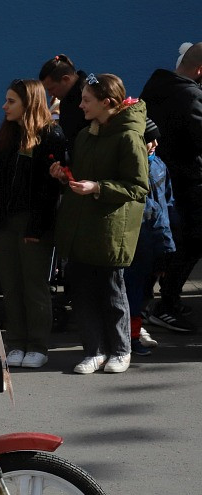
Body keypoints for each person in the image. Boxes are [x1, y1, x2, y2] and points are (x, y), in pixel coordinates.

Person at [50, 73, 148, 375]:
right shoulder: (85, 135)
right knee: (81, 291)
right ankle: (94, 351)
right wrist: (64, 176)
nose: (80, 106)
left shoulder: (128, 136)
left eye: (87, 100)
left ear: (108, 102)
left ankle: (120, 349)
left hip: (110, 229)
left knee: (111, 290)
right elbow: (80, 176)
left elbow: (138, 187)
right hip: (81, 226)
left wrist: (98, 188)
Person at [0, 79, 66, 369]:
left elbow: (49, 192)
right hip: (3, 224)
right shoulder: (3, 135)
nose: (4, 106)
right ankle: (16, 343)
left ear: (29, 103)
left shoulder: (51, 135)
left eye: (11, 101)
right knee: (11, 286)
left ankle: (38, 345)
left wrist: (37, 228)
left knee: (34, 286)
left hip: (32, 226)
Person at [140, 42, 202, 332]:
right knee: (191, 243)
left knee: (167, 244)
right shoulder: (190, 97)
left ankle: (152, 304)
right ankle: (166, 304)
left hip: (161, 183)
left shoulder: (154, 89)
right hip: (188, 185)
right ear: (199, 70)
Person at [124, 119, 175, 356]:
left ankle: (135, 330)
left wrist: (167, 245)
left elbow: (167, 206)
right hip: (138, 240)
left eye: (155, 138)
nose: (153, 143)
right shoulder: (132, 168)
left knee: (144, 291)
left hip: (156, 240)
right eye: (147, 139)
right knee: (132, 290)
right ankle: (131, 337)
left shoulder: (159, 165)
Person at [39, 54, 89, 158]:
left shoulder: (89, 97)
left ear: (66, 79)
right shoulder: (68, 99)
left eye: (51, 88)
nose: (49, 94)